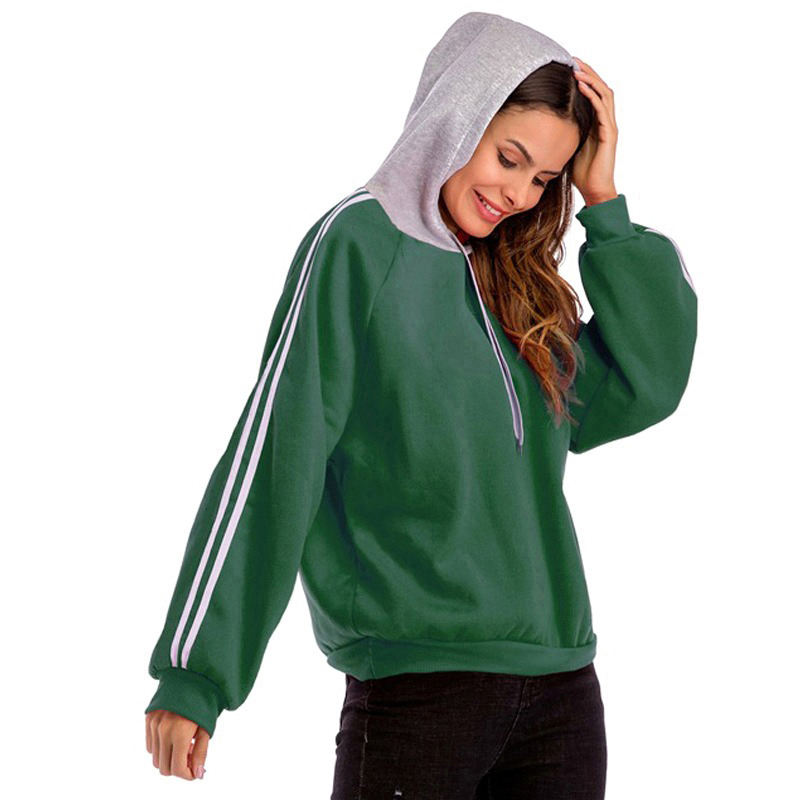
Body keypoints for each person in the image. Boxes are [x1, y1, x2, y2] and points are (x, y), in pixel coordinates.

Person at [144, 11, 697, 798]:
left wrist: (602, 203)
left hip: (562, 697)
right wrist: (197, 675)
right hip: (416, 694)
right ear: (456, 115)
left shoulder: (519, 283)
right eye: (509, 158)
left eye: (545, 179)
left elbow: (645, 385)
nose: (518, 194)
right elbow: (275, 456)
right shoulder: (359, 243)